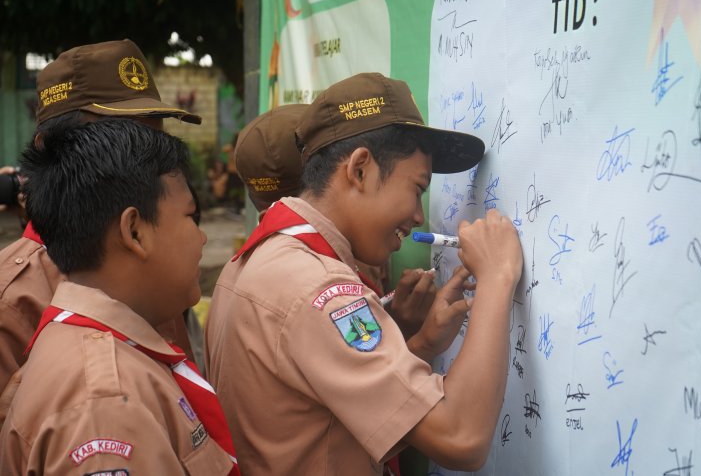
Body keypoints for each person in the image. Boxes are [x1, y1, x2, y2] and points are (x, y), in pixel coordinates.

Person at [205, 72, 523, 474]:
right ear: (360, 169)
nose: (418, 216)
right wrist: (496, 277)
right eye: (417, 187)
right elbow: (461, 438)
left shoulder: (254, 262)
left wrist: (423, 343)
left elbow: (328, 411)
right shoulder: (320, 288)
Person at [0, 118, 238, 474]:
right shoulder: (106, 403)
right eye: (190, 217)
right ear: (135, 231)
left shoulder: (94, 346)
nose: (202, 239)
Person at [0, 39, 202, 396]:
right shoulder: (13, 300)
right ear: (52, 151)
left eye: (156, 138)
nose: (150, 160)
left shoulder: (157, 262)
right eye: (125, 139)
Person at [233, 103, 437, 340]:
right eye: (416, 189)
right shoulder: (327, 279)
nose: (418, 217)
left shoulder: (247, 263)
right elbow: (361, 354)